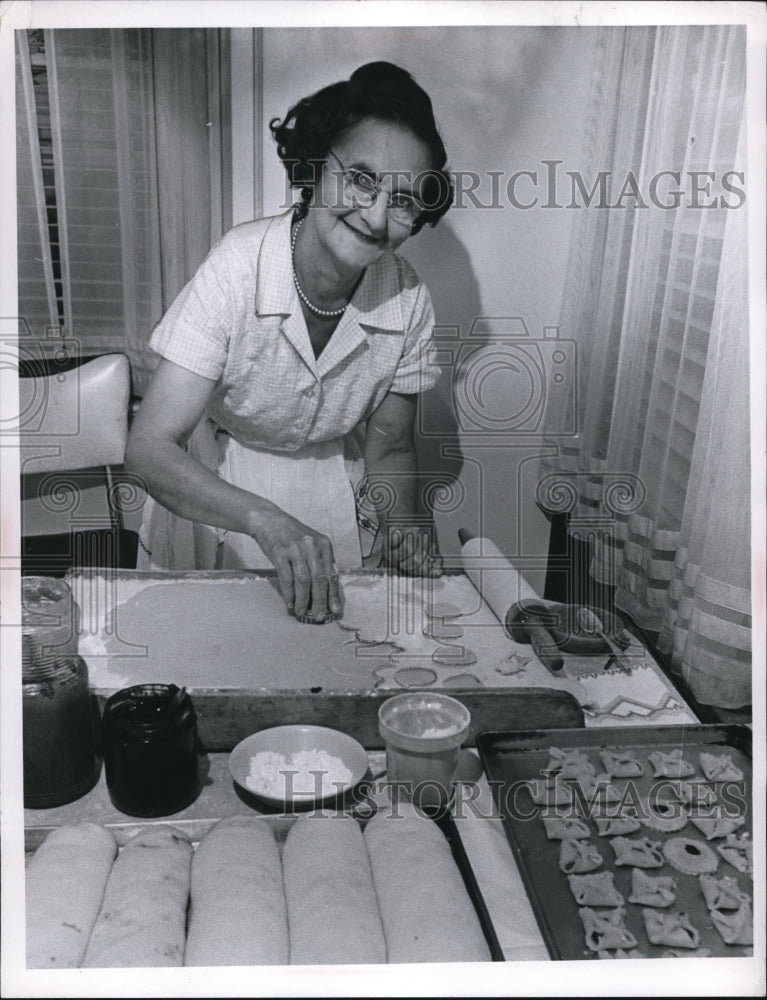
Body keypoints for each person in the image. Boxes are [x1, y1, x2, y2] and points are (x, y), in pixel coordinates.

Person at [126, 61, 453, 622]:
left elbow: (391, 448)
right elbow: (150, 447)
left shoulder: (408, 297)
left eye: (401, 200)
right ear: (314, 167)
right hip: (215, 491)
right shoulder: (237, 265)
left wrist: (404, 530)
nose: (376, 217)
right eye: (361, 178)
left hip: (331, 498)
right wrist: (264, 519)